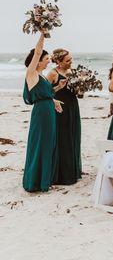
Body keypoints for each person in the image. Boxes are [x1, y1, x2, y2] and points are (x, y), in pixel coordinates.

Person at [22, 31, 63, 192]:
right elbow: (38, 51)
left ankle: (45, 179)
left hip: (48, 111)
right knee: (40, 144)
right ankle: (37, 182)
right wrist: (42, 34)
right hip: (41, 114)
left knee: (48, 144)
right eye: (46, 60)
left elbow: (45, 94)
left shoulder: (42, 76)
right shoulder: (31, 73)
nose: (48, 62)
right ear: (38, 61)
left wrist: (56, 95)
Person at [47, 48, 82, 185]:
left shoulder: (71, 72)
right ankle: (63, 175)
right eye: (67, 60)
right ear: (59, 62)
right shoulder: (52, 73)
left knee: (73, 135)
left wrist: (81, 85)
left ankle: (73, 171)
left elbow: (77, 92)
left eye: (71, 59)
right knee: (63, 138)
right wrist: (59, 88)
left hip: (73, 106)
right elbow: (45, 92)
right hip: (60, 108)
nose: (70, 62)